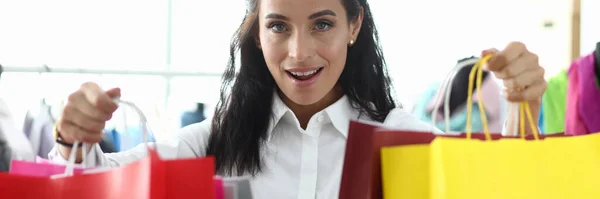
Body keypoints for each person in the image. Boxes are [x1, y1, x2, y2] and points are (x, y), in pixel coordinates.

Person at [48, 0, 547, 198]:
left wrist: (520, 106)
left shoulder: (406, 140)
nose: (299, 53)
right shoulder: (212, 143)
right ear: (257, 32)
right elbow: (90, 182)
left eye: (323, 24)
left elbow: (496, 186)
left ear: (354, 26)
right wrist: (72, 136)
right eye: (279, 26)